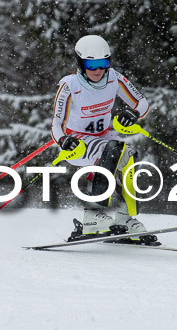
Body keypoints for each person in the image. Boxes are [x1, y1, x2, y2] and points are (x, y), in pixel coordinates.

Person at [51, 34, 154, 244]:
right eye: (92, 64)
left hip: (104, 137)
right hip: (77, 143)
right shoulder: (70, 86)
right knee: (114, 149)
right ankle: (93, 215)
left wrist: (133, 114)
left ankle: (125, 220)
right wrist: (63, 140)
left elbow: (141, 103)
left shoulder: (113, 78)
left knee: (128, 156)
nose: (98, 70)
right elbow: (56, 125)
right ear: (80, 63)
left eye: (103, 63)